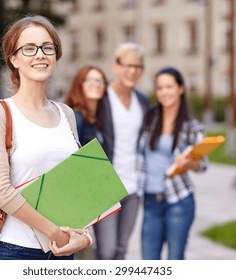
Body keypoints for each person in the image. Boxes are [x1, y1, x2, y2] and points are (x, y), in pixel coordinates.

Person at [0, 15, 91, 260]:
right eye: (29, 49)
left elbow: (80, 185)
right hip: (15, 251)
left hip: (63, 252)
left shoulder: (66, 114)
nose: (40, 54)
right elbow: (0, 191)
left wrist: (84, 236)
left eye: (47, 47)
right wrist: (54, 232)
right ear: (14, 59)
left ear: (55, 56)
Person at [137, 66, 208, 260]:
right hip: (150, 201)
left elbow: (203, 165)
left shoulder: (192, 127)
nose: (164, 92)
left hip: (179, 200)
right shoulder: (150, 119)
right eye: (160, 88)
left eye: (169, 87)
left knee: (175, 259)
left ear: (181, 89)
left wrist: (189, 164)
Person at [94, 42, 150, 260]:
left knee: (121, 248)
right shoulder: (101, 96)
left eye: (138, 66)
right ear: (115, 67)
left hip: (133, 186)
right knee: (106, 250)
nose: (132, 71)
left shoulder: (142, 100)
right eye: (127, 65)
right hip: (106, 186)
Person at [65, 65, 107, 146]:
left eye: (100, 81)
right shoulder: (76, 118)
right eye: (89, 80)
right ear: (79, 84)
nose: (96, 84)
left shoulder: (100, 118)